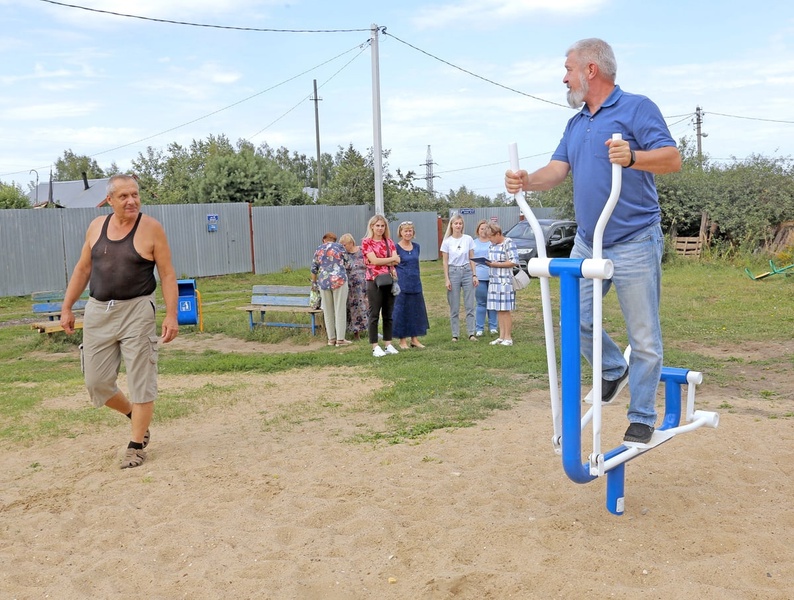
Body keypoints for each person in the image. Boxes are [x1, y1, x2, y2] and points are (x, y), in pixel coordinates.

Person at [504, 38, 682, 444]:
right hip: (589, 241)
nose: (563, 76)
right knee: (577, 320)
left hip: (635, 238)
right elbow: (557, 170)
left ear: (590, 70)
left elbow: (672, 158)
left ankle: (641, 415)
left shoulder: (637, 108)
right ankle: (612, 368)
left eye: (568, 68)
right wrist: (527, 181)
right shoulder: (576, 122)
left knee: (645, 336)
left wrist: (633, 157)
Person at [59, 174, 179, 469]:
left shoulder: (151, 228)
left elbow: (167, 274)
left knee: (141, 380)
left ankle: (136, 444)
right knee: (96, 382)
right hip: (99, 310)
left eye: (135, 195)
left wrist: (171, 314)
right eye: (124, 196)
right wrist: (67, 307)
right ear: (109, 200)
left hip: (137, 309)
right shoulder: (96, 227)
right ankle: (132, 416)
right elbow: (82, 269)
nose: (131, 201)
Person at [361, 215, 400, 357]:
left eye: (382, 226)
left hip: (389, 279)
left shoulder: (389, 241)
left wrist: (387, 261)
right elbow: (374, 261)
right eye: (377, 225)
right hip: (374, 280)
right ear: (372, 226)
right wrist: (390, 260)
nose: (380, 228)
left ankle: (388, 343)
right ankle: (375, 346)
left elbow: (397, 261)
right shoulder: (366, 242)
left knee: (388, 314)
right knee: (374, 313)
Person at [392, 221, 430, 349]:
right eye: (405, 231)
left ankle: (415, 339)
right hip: (402, 284)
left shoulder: (417, 246)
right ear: (400, 233)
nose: (408, 233)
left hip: (415, 283)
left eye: (410, 231)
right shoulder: (395, 247)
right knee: (402, 312)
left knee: (416, 312)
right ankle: (402, 340)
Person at [440, 214, 478, 342]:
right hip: (453, 272)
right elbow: (445, 261)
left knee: (470, 304)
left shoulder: (468, 239)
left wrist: (474, 275)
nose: (458, 226)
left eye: (460, 223)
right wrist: (447, 279)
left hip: (467, 270)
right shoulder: (447, 242)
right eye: (455, 223)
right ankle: (455, 334)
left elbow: (472, 258)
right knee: (454, 306)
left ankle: (471, 333)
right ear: (451, 225)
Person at [311, 232, 351, 347]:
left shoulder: (318, 249)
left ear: (324, 239)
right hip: (339, 280)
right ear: (334, 240)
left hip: (323, 281)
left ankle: (331, 339)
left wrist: (314, 284)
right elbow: (348, 264)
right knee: (339, 309)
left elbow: (314, 268)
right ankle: (340, 339)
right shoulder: (339, 247)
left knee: (327, 311)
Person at [484, 223, 518, 346]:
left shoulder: (508, 242)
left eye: (491, 237)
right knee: (498, 309)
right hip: (494, 281)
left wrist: (496, 264)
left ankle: (508, 337)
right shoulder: (491, 245)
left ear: (498, 234)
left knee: (505, 309)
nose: (490, 239)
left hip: (505, 281)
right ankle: (501, 336)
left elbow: (514, 261)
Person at [339, 233, 368, 341]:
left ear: (351, 243)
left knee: (366, 307)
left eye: (344, 244)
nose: (342, 247)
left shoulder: (362, 250)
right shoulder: (343, 254)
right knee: (353, 309)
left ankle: (368, 329)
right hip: (350, 286)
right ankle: (355, 333)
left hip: (364, 284)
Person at [472, 219, 498, 336]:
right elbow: (470, 259)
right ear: (478, 230)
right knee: (481, 303)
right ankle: (479, 328)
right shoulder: (473, 243)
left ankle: (493, 326)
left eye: (485, 228)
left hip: (492, 276)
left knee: (492, 302)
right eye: (481, 228)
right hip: (479, 276)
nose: (483, 231)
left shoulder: (493, 242)